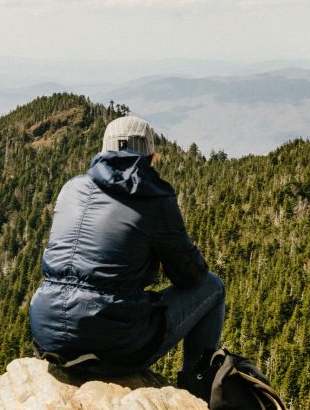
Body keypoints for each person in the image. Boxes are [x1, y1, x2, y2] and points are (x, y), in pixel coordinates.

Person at [29, 115, 225, 385]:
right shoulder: (155, 199)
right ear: (151, 157)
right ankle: (196, 387)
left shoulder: (71, 188)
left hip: (46, 333)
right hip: (110, 347)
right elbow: (191, 277)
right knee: (213, 287)